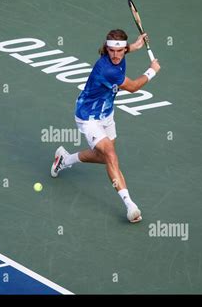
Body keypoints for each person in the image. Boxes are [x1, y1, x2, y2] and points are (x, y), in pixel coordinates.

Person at [50, 29, 161, 223]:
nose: (116, 55)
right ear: (107, 49)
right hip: (88, 116)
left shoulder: (120, 53)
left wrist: (136, 45)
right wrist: (152, 70)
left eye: (120, 51)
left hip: (107, 113)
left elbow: (125, 50)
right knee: (110, 154)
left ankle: (66, 159)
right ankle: (130, 205)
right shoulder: (106, 69)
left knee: (105, 158)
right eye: (112, 51)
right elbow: (134, 87)